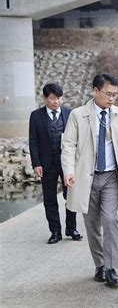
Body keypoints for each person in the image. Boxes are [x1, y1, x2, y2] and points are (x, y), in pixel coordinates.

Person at [61, 73, 118, 287]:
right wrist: (68, 171)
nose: (112, 98)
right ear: (95, 91)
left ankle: (112, 268)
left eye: (115, 94)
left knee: (110, 220)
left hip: (112, 176)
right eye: (108, 94)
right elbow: (68, 146)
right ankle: (100, 265)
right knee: (92, 224)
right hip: (88, 177)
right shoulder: (78, 115)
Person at [28, 83, 82, 244]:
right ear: (45, 98)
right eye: (52, 98)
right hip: (46, 164)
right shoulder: (36, 116)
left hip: (67, 163)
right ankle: (55, 232)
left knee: (70, 196)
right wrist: (36, 163)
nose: (56, 101)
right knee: (50, 199)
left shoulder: (69, 113)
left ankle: (71, 228)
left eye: (59, 98)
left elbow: (77, 139)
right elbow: (33, 141)